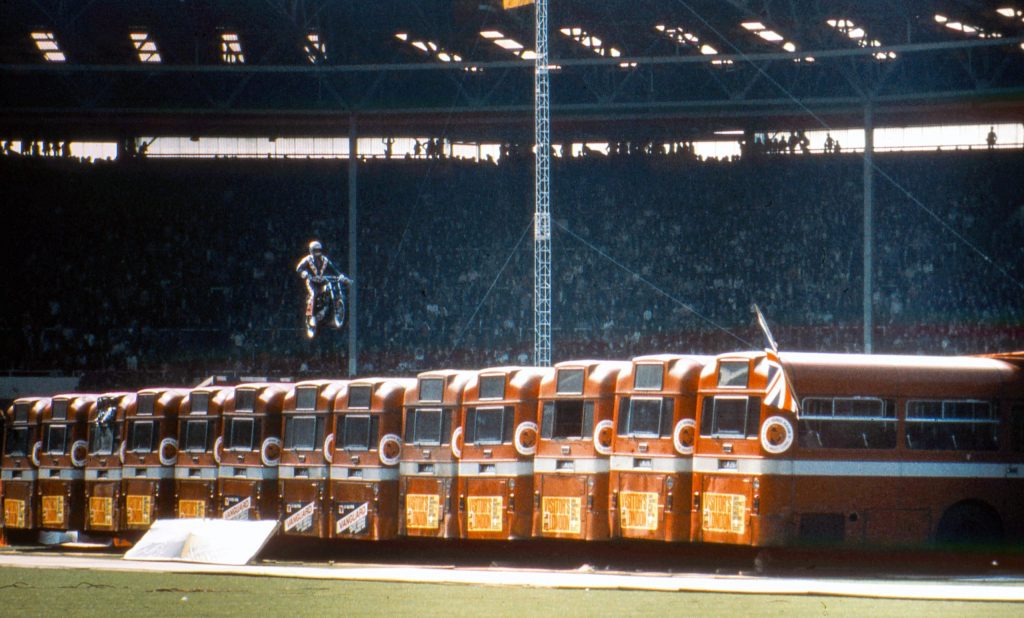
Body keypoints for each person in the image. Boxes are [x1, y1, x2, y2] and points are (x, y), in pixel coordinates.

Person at [296, 240, 351, 329]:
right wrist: (305, 273)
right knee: (314, 294)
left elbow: (334, 269)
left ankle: (332, 306)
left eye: (319, 250)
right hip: (312, 282)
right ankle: (312, 316)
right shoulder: (307, 260)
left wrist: (341, 276)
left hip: (323, 282)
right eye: (315, 250)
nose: (317, 252)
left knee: (331, 286)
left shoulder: (325, 260)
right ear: (311, 251)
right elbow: (299, 268)